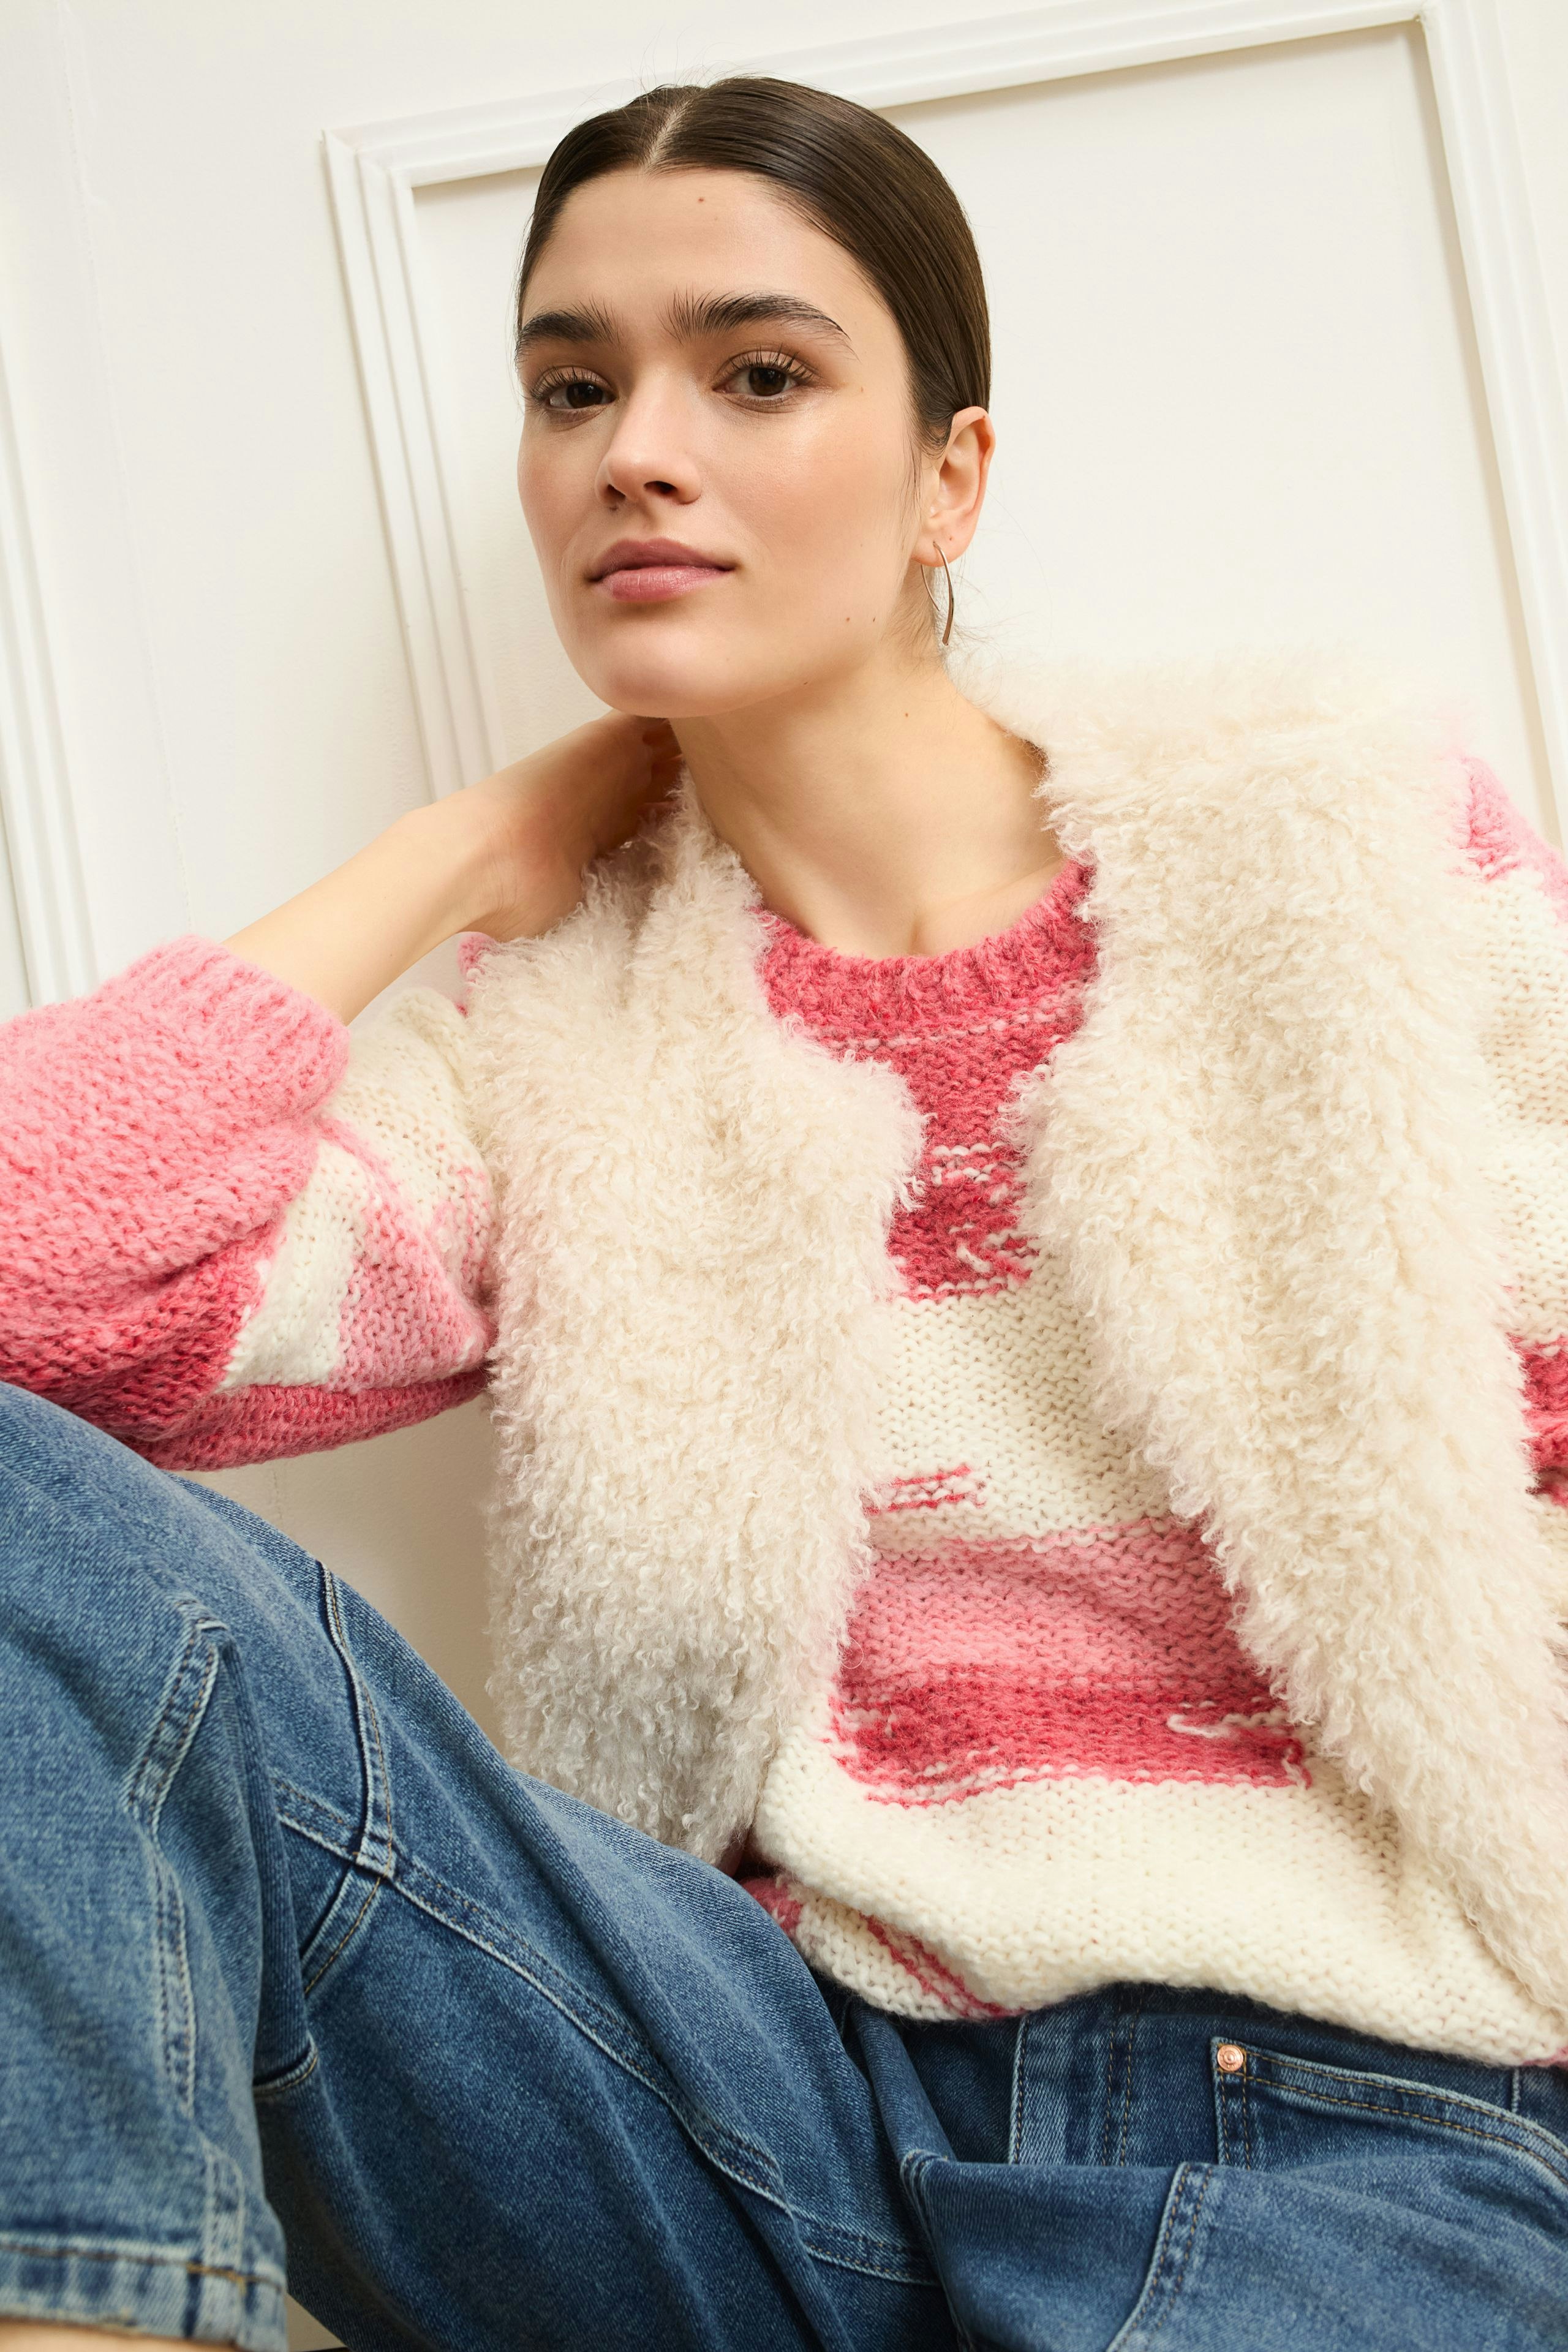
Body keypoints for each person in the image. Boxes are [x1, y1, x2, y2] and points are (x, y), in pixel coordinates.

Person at [1, 72, 1566, 2352]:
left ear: (952, 476)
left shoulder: (1337, 848)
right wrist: (444, 856)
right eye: (572, 387)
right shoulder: (555, 1045)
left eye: (754, 373)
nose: (638, 449)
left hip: (1356, 2130)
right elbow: (36, 1292)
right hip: (767, 2115)